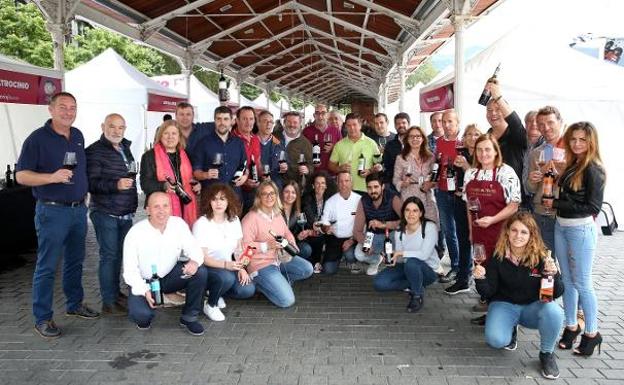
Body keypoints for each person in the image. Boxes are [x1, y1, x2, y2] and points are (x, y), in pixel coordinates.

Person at [16, 92, 99, 339]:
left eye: (73, 107)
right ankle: (42, 317)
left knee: (75, 261)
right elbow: (21, 176)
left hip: (77, 210)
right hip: (51, 210)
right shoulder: (37, 139)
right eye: (63, 107)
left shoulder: (78, 136)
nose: (68, 112)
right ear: (50, 109)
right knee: (48, 266)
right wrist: (51, 177)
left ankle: (74, 304)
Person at [474, 212, 564, 380]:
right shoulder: (497, 255)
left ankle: (546, 354)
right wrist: (480, 279)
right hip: (504, 304)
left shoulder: (542, 257)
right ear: (507, 232)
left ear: (531, 235)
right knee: (496, 340)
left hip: (532, 307)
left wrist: (555, 274)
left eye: (524, 232)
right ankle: (510, 327)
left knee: (555, 312)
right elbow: (488, 292)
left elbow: (556, 293)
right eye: (514, 230)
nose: (518, 236)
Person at [542, 121, 605, 357]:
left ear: (591, 142)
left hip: (580, 230)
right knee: (567, 281)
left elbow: (592, 206)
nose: (577, 143)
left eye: (582, 139)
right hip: (562, 226)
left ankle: (592, 332)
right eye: (573, 139)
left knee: (583, 284)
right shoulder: (573, 164)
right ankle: (570, 327)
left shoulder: (594, 168)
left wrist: (556, 203)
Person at [123, 192, 208, 335]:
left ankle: (189, 317)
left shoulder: (178, 224)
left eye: (165, 206)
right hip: (145, 282)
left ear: (171, 208)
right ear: (148, 210)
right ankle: (155, 301)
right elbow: (129, 272)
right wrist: (144, 290)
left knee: (200, 272)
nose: (161, 211)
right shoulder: (135, 233)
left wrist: (194, 261)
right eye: (156, 207)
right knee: (142, 318)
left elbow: (195, 250)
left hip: (169, 277)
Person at [462, 134, 521, 324]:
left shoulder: (506, 172)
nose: (483, 153)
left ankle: (507, 317)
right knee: (484, 271)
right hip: (480, 233)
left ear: (496, 151)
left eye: (488, 149)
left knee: (503, 273)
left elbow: (514, 204)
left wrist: (493, 219)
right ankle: (492, 313)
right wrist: (471, 231)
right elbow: (468, 205)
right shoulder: (470, 174)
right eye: (479, 150)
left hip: (502, 232)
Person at [86, 113, 138, 315]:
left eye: (121, 127)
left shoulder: (125, 147)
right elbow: (91, 183)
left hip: (125, 212)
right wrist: (115, 185)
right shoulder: (94, 151)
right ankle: (108, 301)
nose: (117, 131)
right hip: (105, 212)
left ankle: (115, 294)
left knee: (118, 256)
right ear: (103, 126)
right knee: (108, 256)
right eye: (112, 126)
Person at [241, 181, 313, 308]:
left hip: (279, 259)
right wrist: (267, 245)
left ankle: (278, 281)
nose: (269, 197)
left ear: (276, 195)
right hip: (261, 265)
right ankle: (259, 284)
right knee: (287, 301)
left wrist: (292, 245)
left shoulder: (277, 214)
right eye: (265, 194)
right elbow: (245, 248)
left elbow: (287, 232)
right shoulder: (250, 218)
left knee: (307, 269)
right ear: (259, 197)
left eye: (272, 193)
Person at [192, 183, 255, 321]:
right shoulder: (201, 224)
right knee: (227, 278)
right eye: (214, 199)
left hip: (228, 266)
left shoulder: (234, 220)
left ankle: (216, 292)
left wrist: (242, 268)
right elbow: (203, 258)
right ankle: (210, 305)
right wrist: (227, 265)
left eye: (222, 199)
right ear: (209, 201)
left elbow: (239, 249)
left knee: (247, 289)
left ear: (229, 201)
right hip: (207, 268)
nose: (218, 203)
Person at [373, 197, 439, 312]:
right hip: (407, 266)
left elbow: (424, 255)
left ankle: (417, 295)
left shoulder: (429, 227)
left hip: (428, 270)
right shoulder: (400, 230)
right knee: (379, 283)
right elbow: (401, 258)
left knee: (412, 262)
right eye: (407, 210)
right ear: (403, 213)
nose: (411, 214)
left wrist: (401, 253)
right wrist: (393, 258)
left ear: (421, 213)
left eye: (415, 210)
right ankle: (415, 283)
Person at [140, 119, 201, 227]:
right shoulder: (149, 156)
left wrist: (197, 184)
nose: (170, 137)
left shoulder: (185, 154)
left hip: (185, 205)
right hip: (162, 209)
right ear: (160, 136)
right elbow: (145, 184)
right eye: (166, 133)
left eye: (174, 133)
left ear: (179, 136)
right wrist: (163, 185)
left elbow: (191, 178)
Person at [434, 110, 470, 287]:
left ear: (457, 123)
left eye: (450, 121)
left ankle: (464, 267)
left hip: (459, 193)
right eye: (444, 121)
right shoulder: (439, 142)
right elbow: (435, 164)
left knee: (461, 232)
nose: (446, 125)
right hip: (441, 191)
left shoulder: (463, 143)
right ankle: (455, 265)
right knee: (448, 230)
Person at [526, 106, 566, 251]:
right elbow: (530, 189)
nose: (546, 128)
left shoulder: (572, 149)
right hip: (542, 214)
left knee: (568, 263)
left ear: (560, 122)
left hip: (564, 213)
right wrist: (532, 180)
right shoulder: (536, 153)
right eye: (541, 124)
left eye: (550, 122)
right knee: (546, 261)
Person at [485, 82, 528, 204]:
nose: (493, 113)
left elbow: (516, 122)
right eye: (489, 110)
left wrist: (498, 97)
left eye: (498, 109)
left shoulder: (515, 134)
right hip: (491, 198)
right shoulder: (486, 137)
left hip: (513, 200)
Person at [192, 106, 248, 198]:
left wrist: (245, 177)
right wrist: (206, 175)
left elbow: (245, 166)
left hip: (234, 196)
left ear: (231, 121)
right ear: (214, 120)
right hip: (211, 197)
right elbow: (196, 172)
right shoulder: (203, 143)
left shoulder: (239, 143)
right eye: (219, 119)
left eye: (226, 119)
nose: (222, 123)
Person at [353, 173, 402, 275]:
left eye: (376, 187)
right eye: (369, 188)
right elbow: (356, 231)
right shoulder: (363, 201)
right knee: (359, 254)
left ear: (382, 186)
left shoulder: (393, 198)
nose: (373, 191)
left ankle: (398, 267)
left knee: (403, 256)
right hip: (373, 236)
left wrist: (384, 224)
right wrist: (365, 243)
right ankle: (376, 260)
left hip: (393, 234)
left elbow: (407, 221)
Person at [393, 126, 438, 225]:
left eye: (418, 136)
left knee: (432, 226)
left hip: (427, 197)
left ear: (423, 138)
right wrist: (403, 183)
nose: (415, 139)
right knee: (413, 228)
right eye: (411, 136)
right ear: (407, 139)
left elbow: (435, 178)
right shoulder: (401, 158)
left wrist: (431, 184)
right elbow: (395, 180)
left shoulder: (430, 157)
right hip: (409, 196)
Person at [328, 113, 382, 193]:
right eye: (349, 125)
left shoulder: (371, 143)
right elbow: (331, 165)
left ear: (360, 125)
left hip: (366, 189)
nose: (352, 128)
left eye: (354, 124)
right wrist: (339, 168)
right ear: (345, 126)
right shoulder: (339, 144)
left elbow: (378, 165)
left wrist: (370, 171)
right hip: (345, 190)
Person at [320, 171, 361, 274]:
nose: (344, 184)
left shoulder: (359, 200)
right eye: (341, 181)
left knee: (350, 256)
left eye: (346, 181)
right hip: (335, 239)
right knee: (328, 270)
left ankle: (350, 259)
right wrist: (326, 228)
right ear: (337, 184)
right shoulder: (330, 202)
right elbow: (324, 222)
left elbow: (363, 224)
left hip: (352, 238)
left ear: (351, 183)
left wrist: (352, 240)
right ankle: (339, 256)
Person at [301, 171, 337, 273]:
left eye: (322, 183)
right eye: (317, 183)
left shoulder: (330, 199)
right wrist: (320, 226)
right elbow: (310, 217)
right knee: (317, 235)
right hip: (310, 230)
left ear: (326, 185)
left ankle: (326, 260)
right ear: (313, 185)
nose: (320, 185)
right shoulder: (307, 198)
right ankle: (315, 262)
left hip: (326, 230)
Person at [232, 106, 262, 213]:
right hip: (236, 189)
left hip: (253, 189)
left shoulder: (255, 139)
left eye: (251, 119)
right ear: (237, 120)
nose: (248, 122)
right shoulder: (231, 139)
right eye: (244, 119)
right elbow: (229, 168)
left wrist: (263, 177)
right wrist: (245, 182)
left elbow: (258, 162)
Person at [302, 103, 341, 173]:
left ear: (327, 115)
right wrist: (310, 159)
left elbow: (342, 151)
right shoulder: (306, 131)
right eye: (317, 113)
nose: (320, 116)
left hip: (332, 174)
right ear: (314, 115)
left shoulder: (335, 131)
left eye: (323, 113)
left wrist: (333, 147)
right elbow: (301, 152)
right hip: (313, 173)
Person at [279, 112, 314, 187]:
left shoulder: (306, 143)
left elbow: (311, 165)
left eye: (295, 122)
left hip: (294, 188)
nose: (292, 125)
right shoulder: (275, 137)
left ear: (300, 124)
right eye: (289, 122)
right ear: (284, 123)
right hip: (275, 185)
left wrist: (307, 170)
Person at [281, 181, 313, 261]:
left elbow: (295, 235)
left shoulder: (298, 213)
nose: (290, 195)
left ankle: (289, 263)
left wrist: (299, 236)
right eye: (286, 192)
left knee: (306, 249)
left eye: (293, 192)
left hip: (290, 244)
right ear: (282, 193)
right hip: (277, 245)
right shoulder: (276, 210)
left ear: (297, 195)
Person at [257, 110, 287, 189]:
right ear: (258, 123)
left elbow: (285, 162)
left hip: (275, 188)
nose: (268, 124)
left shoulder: (279, 143)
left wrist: (285, 167)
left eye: (271, 122)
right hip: (256, 189)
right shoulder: (250, 142)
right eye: (265, 121)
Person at [382, 112, 410, 188]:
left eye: (404, 123)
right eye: (398, 123)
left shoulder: (416, 143)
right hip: (394, 185)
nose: (401, 125)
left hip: (412, 184)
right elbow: (386, 165)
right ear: (395, 126)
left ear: (409, 124)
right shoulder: (390, 145)